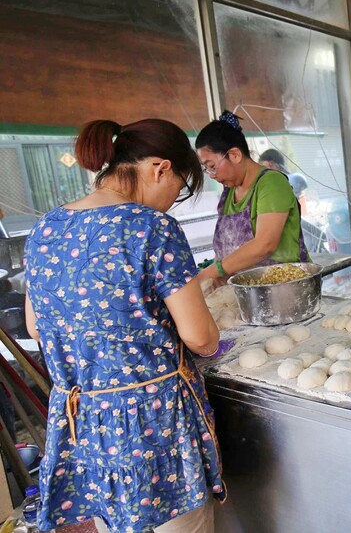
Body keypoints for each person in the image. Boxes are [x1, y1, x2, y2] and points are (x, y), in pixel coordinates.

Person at [23, 119, 226, 532]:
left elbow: (36, 326)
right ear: (159, 168)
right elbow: (200, 336)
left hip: (87, 425)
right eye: (180, 188)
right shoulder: (152, 228)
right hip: (154, 423)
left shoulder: (45, 228)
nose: (173, 201)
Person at [194, 112, 309, 287]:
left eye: (212, 167)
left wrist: (212, 272)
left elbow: (265, 244)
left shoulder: (271, 184)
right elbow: (224, 250)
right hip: (245, 294)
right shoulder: (228, 193)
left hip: (285, 291)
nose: (212, 175)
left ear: (234, 155)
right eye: (208, 170)